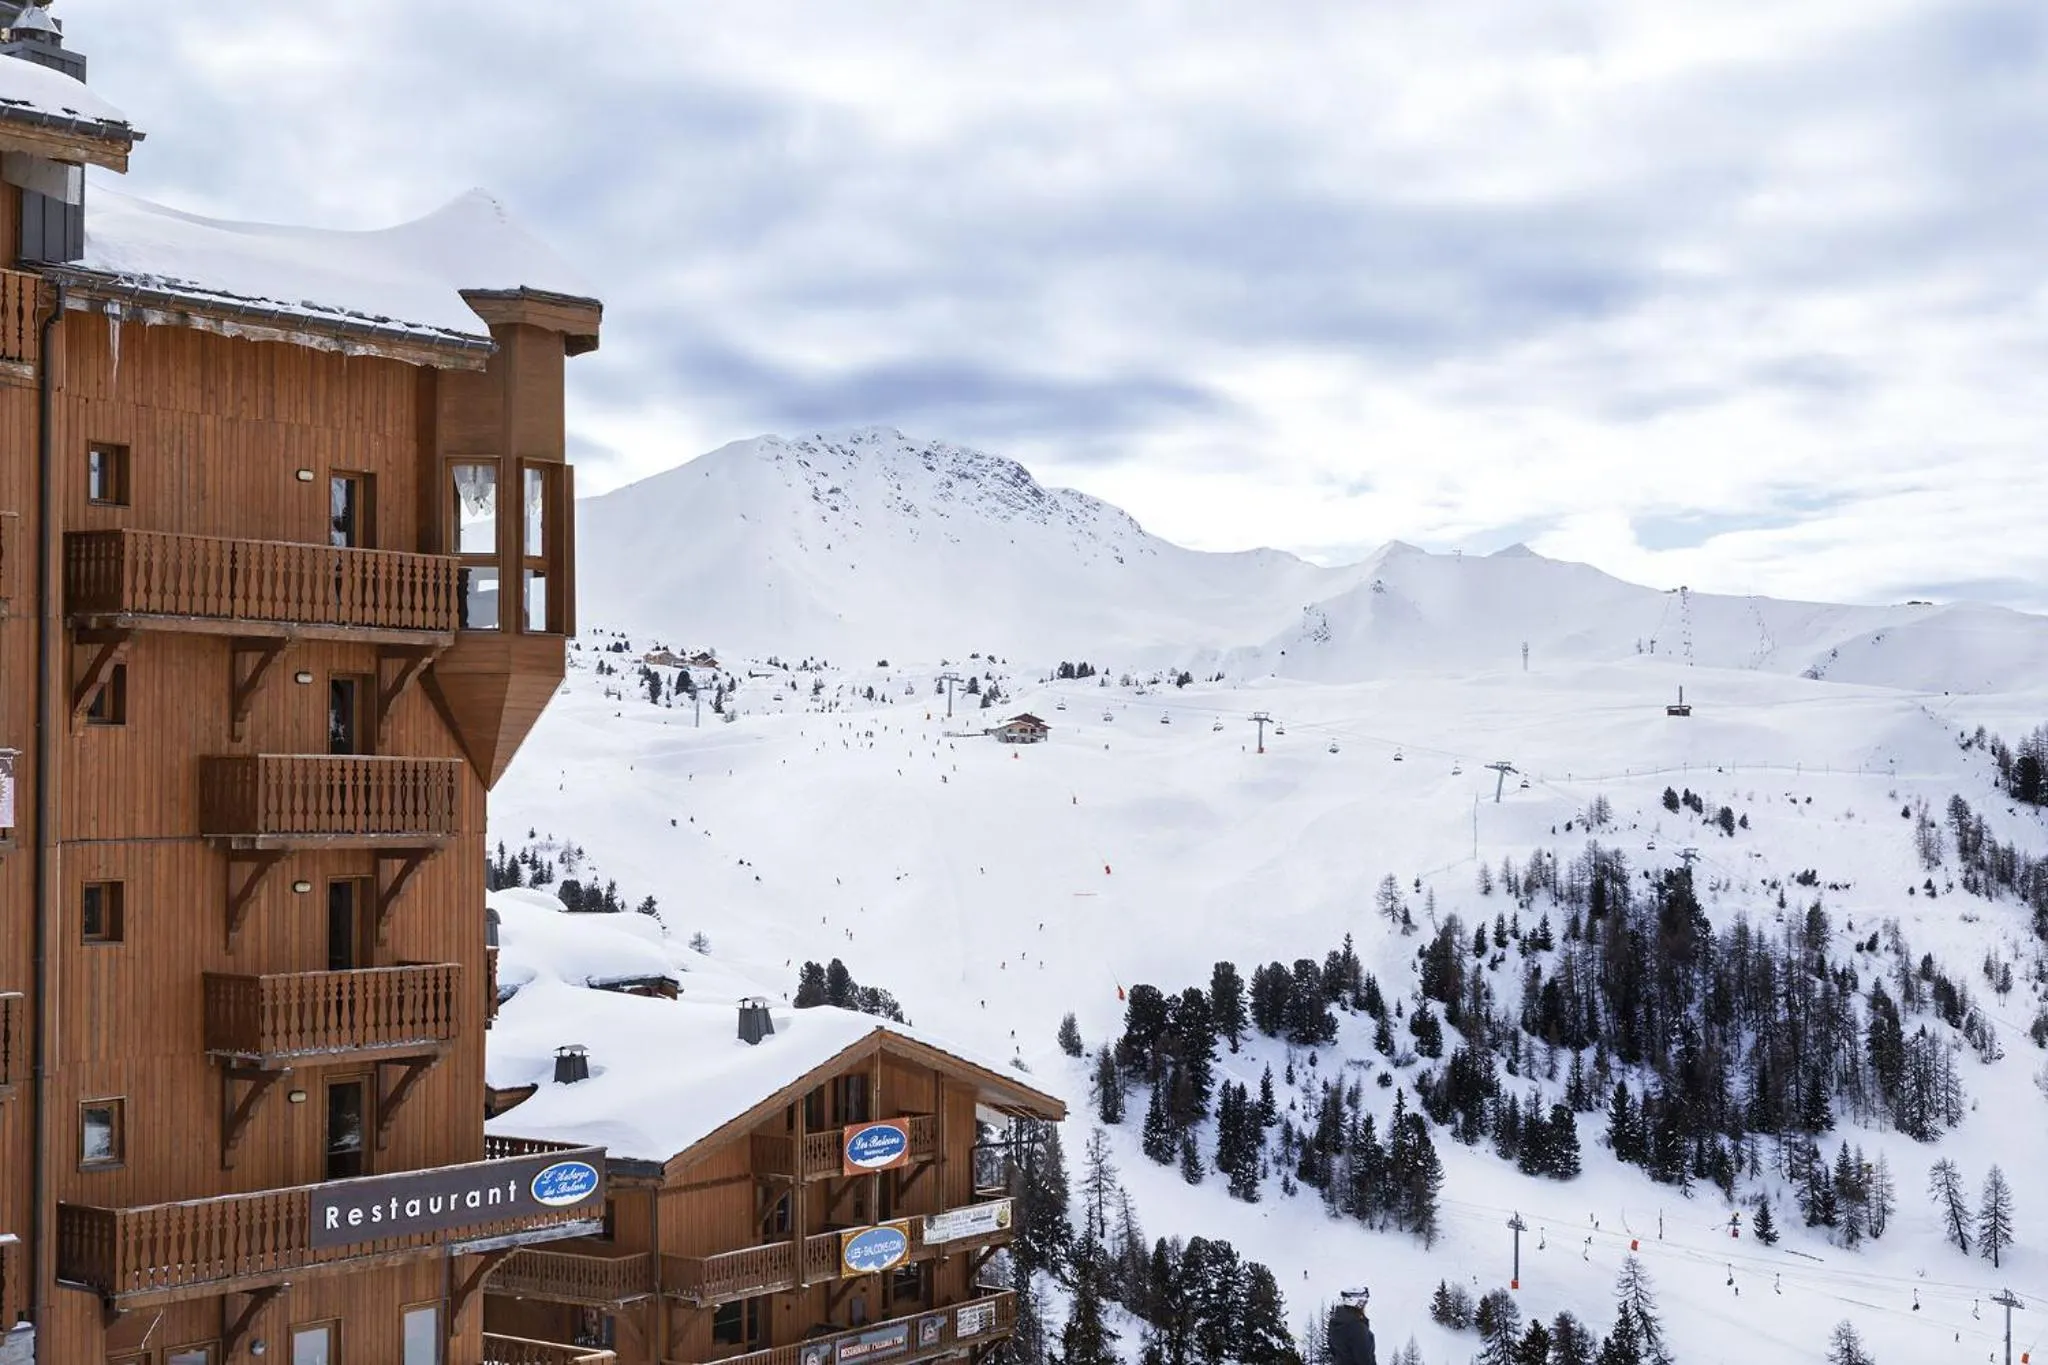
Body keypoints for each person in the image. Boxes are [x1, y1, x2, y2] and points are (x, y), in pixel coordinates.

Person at [1329, 1287, 1376, 1365]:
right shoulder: (1357, 1328)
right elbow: (1365, 1359)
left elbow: (1334, 1351)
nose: (1364, 1306)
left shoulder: (1337, 1322)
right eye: (1363, 1302)